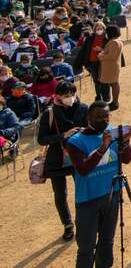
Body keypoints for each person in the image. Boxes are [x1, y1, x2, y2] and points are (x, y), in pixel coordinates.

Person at [66, 101, 131, 268]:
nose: (103, 121)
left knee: (107, 241)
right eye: (99, 117)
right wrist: (103, 147)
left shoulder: (112, 133)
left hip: (112, 195)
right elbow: (83, 169)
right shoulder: (75, 142)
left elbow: (126, 159)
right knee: (86, 247)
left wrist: (125, 142)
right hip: (88, 200)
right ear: (89, 117)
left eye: (106, 116)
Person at [36, 81, 89, 241]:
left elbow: (92, 129)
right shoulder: (49, 113)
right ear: (57, 96)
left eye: (72, 94)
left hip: (78, 156)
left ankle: (83, 222)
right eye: (66, 96)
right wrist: (63, 135)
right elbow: (42, 139)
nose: (70, 98)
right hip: (56, 158)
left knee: (82, 190)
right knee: (60, 194)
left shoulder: (83, 108)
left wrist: (83, 132)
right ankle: (67, 225)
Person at [97, 26, 123, 111]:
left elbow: (111, 56)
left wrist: (101, 56)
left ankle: (115, 102)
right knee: (114, 83)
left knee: (114, 84)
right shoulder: (115, 41)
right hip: (111, 66)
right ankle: (115, 102)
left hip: (111, 66)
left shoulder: (114, 42)